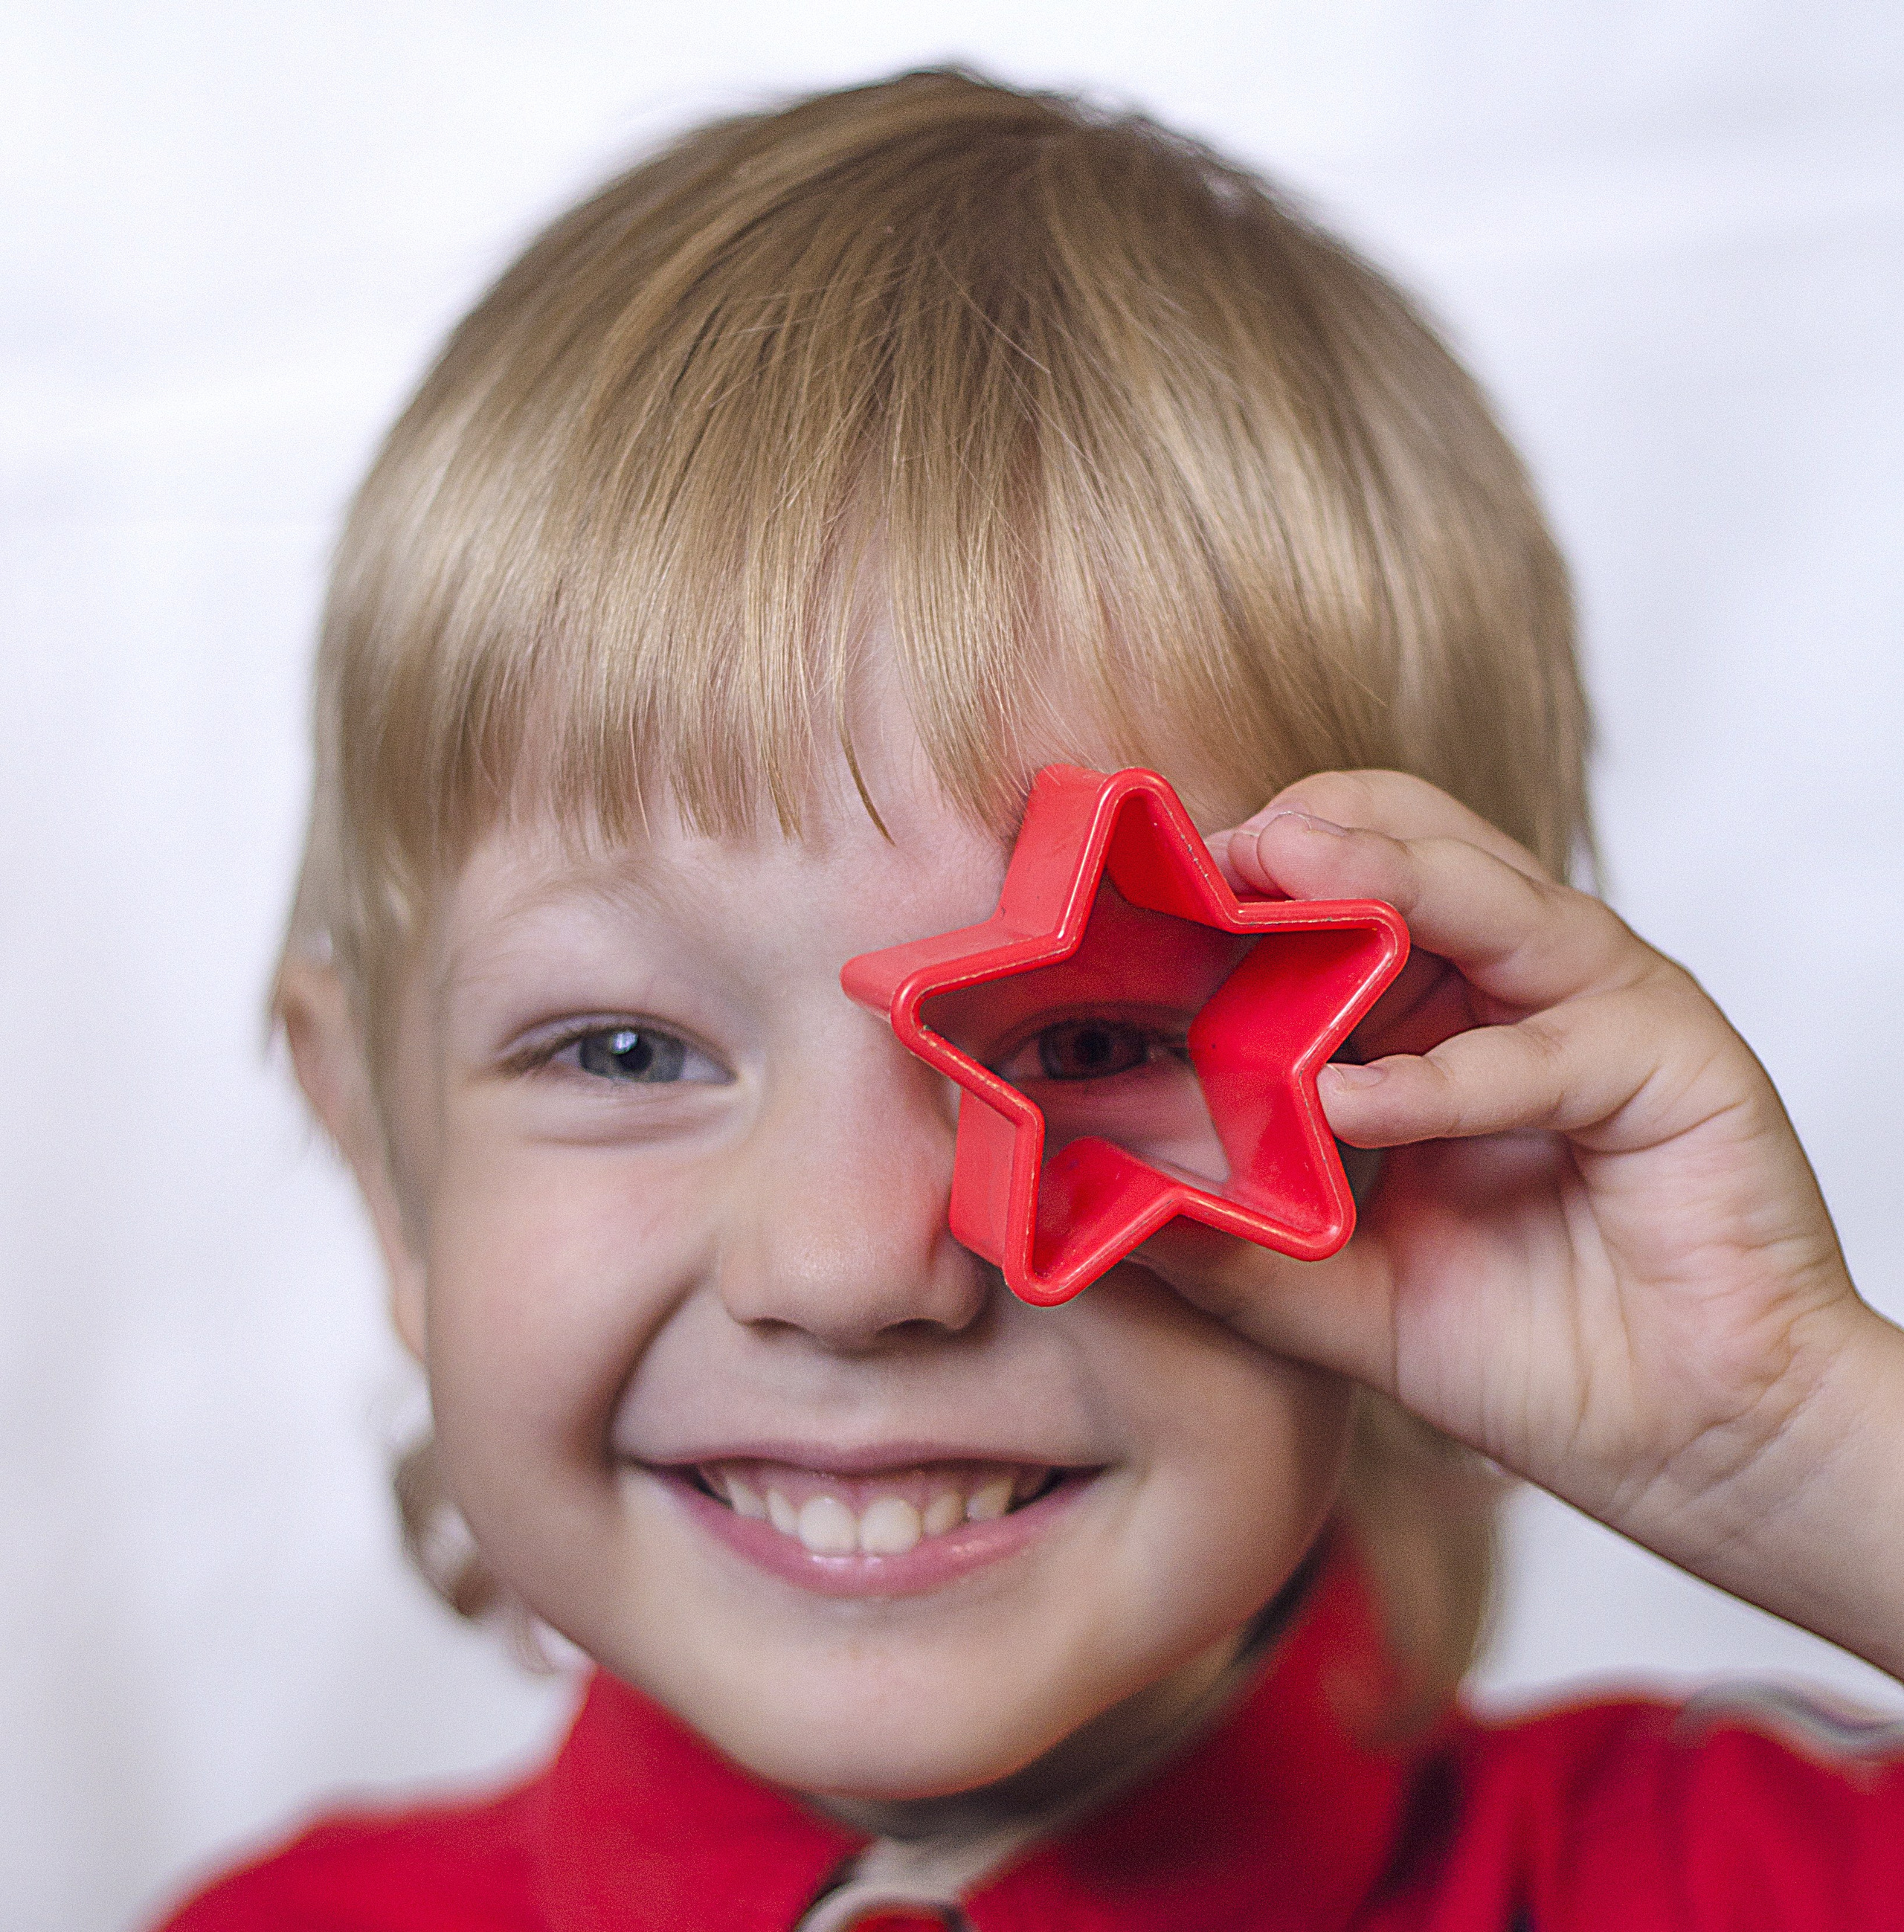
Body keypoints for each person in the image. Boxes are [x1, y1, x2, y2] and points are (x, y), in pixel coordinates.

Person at [155, 68, 1904, 1931]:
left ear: (1445, 1107)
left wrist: (1784, 1445)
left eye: (1089, 1045)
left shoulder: (1745, 1880)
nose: (849, 1267)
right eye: (623, 1050)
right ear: (384, 1162)